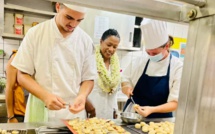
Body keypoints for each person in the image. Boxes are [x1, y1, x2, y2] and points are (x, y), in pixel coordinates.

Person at [11, 3, 96, 122]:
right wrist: (45, 96)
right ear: (58, 7)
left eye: (79, 20)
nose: (73, 24)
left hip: (72, 113)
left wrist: (82, 96)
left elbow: (88, 78)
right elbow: (22, 75)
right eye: (69, 17)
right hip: (41, 109)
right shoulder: (36, 33)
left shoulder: (85, 41)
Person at [121, 19, 183, 118]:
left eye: (154, 53)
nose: (150, 56)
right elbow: (124, 78)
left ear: (166, 46)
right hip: (133, 116)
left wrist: (152, 109)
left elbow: (175, 103)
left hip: (161, 119)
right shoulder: (140, 60)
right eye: (148, 52)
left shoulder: (177, 67)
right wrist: (126, 87)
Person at [86, 29, 121, 119]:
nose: (111, 49)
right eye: (109, 45)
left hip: (109, 113)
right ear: (101, 41)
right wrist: (87, 105)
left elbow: (114, 90)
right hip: (91, 111)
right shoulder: (90, 59)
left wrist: (115, 109)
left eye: (115, 47)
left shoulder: (115, 64)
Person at [5, 50, 28, 123]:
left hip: (30, 111)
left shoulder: (32, 58)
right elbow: (9, 88)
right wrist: (11, 116)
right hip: (19, 114)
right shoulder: (16, 57)